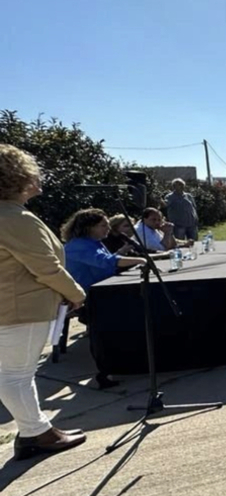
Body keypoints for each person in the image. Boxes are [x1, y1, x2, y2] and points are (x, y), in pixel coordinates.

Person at [0, 144, 88, 459]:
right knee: (15, 376)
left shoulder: (11, 215)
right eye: (33, 172)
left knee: (14, 374)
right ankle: (36, 433)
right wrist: (77, 294)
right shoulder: (13, 217)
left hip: (13, 306)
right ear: (16, 177)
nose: (39, 177)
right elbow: (46, 266)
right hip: (20, 308)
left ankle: (34, 430)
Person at [63, 209, 147, 290]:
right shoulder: (78, 246)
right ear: (89, 227)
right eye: (104, 225)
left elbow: (106, 262)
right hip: (87, 296)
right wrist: (140, 260)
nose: (109, 228)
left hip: (100, 289)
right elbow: (105, 261)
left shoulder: (94, 242)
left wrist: (120, 253)